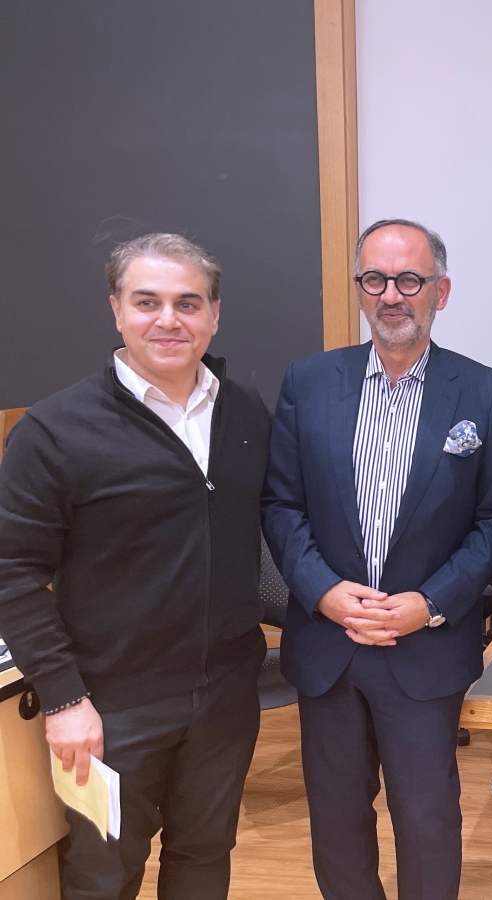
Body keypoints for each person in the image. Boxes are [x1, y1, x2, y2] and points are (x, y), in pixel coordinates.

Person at [0, 234, 270, 899]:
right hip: (110, 703)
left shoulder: (245, 415)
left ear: (214, 314)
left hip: (228, 691)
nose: (168, 320)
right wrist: (63, 696)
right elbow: (11, 569)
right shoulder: (57, 429)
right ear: (117, 310)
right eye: (147, 301)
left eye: (188, 302)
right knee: (104, 875)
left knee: (205, 856)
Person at [261, 219, 492, 900]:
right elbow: (281, 506)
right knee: (337, 824)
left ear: (442, 290)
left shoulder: (487, 395)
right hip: (329, 644)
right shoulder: (308, 382)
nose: (392, 295)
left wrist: (429, 604)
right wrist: (322, 591)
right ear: (359, 289)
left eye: (410, 279)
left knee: (428, 822)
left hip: (423, 650)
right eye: (376, 279)